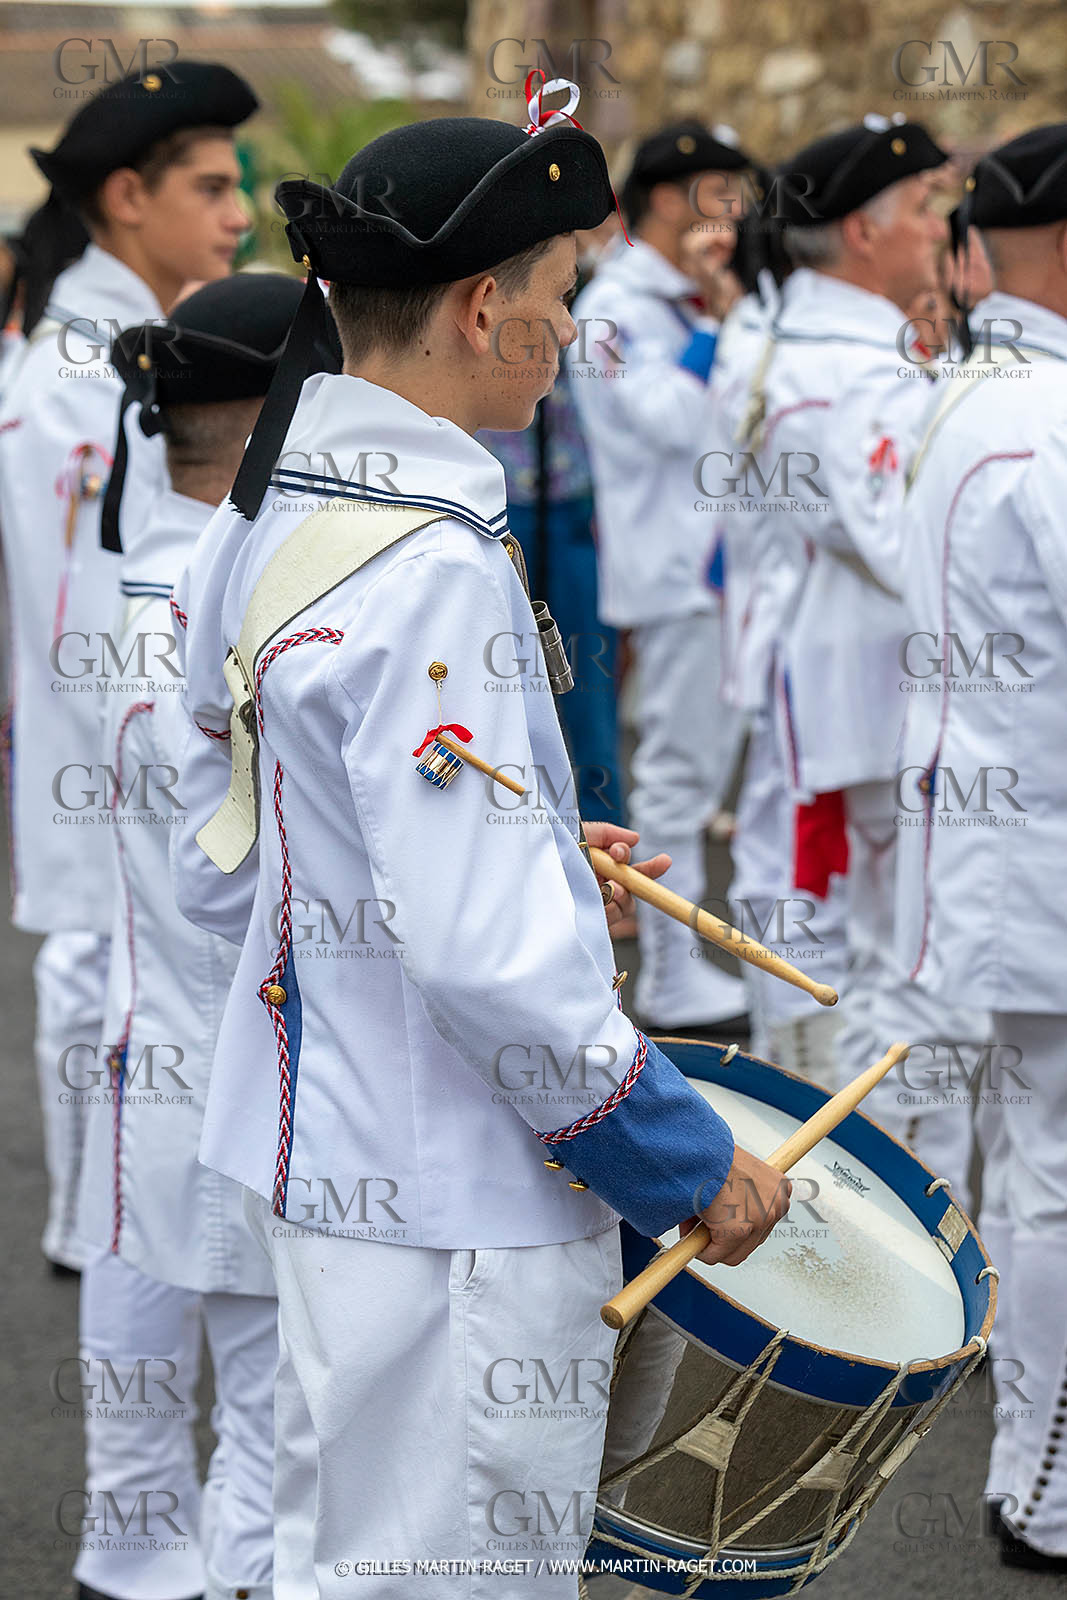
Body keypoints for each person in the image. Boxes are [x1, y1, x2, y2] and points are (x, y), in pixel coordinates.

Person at [171, 95, 791, 1597]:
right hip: (457, 1186)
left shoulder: (267, 511)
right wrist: (678, 1152)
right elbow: (475, 952)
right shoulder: (428, 561)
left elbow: (243, 827)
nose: (567, 332)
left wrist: (511, 838)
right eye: (559, 296)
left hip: (339, 1150)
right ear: (477, 303)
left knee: (350, 1556)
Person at [68, 273, 340, 1600]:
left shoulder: (143, 594)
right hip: (236, 1051)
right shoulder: (216, 621)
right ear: (270, 418)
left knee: (150, 1293)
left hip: (158, 1038)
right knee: (272, 1419)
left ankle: (127, 1549)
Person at [0, 63, 256, 1278]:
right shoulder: (84, 380)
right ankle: (87, 1228)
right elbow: (88, 614)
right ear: (123, 197)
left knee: (124, 966)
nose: (237, 214)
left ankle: (111, 1224)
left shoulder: (118, 355)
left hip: (115, 733)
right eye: (210, 187)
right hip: (104, 737)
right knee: (102, 962)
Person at [895, 121, 1067, 1574]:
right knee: (1055, 1169)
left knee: (1036, 1159)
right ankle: (1046, 1483)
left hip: (1000, 847)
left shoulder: (973, 391)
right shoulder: (1048, 418)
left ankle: (1034, 1469)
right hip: (1042, 843)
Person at [753, 117, 986, 1191]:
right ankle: (890, 1192)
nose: (942, 230)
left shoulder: (813, 342)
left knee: (882, 957)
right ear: (861, 231)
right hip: (886, 691)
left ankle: (871, 1183)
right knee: (906, 965)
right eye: (926, 210)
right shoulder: (852, 365)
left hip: (852, 680)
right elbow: (908, 545)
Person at [569, 121, 751, 1033]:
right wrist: (720, 328)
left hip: (727, 576)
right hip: (674, 574)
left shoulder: (693, 298)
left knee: (728, 779)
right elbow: (670, 422)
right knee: (677, 780)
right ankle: (675, 980)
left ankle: (722, 963)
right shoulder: (615, 306)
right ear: (657, 204)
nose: (728, 214)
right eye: (709, 194)